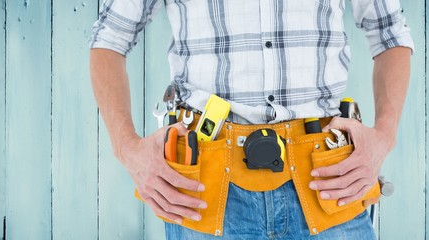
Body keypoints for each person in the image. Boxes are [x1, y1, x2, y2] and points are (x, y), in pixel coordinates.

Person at [89, 0, 413, 239]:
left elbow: (390, 33)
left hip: (328, 179)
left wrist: (384, 135)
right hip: (205, 184)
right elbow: (109, 39)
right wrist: (127, 149)